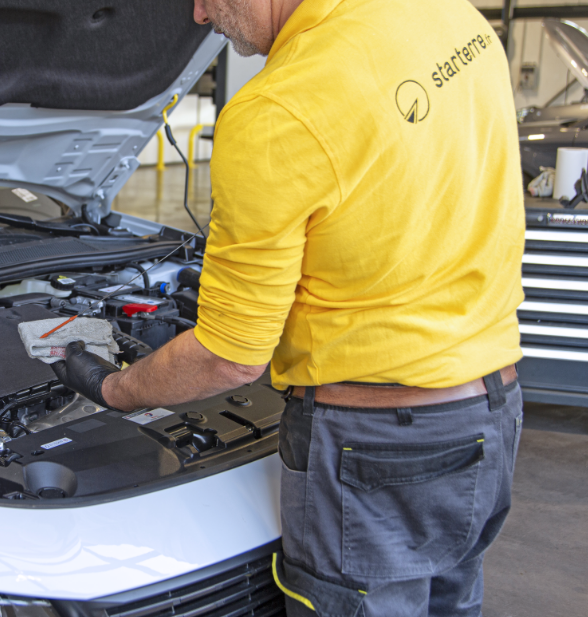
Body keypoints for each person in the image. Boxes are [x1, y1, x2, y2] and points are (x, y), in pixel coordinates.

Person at [51, 0, 526, 615]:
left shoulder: (279, 110)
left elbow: (228, 359)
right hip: (490, 415)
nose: (198, 15)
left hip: (374, 451)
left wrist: (116, 388)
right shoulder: (451, 18)